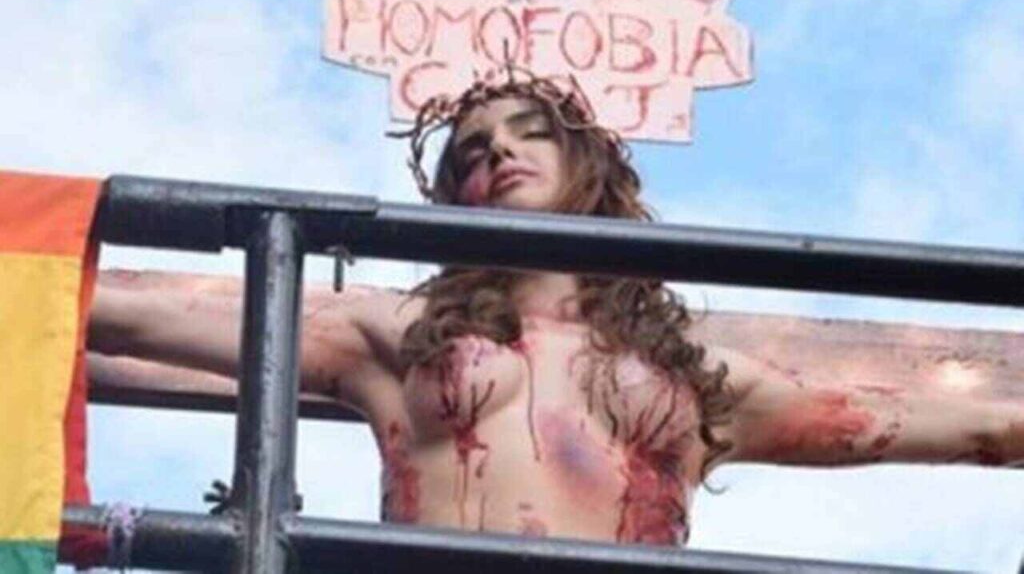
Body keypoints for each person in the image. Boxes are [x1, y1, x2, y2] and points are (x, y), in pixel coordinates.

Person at [88, 72, 1023, 547]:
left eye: (529, 134)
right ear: (452, 200)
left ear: (590, 169)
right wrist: (36, 245)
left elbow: (968, 424)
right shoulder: (394, 338)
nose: (497, 151)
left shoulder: (700, 382)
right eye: (472, 151)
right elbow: (126, 319)